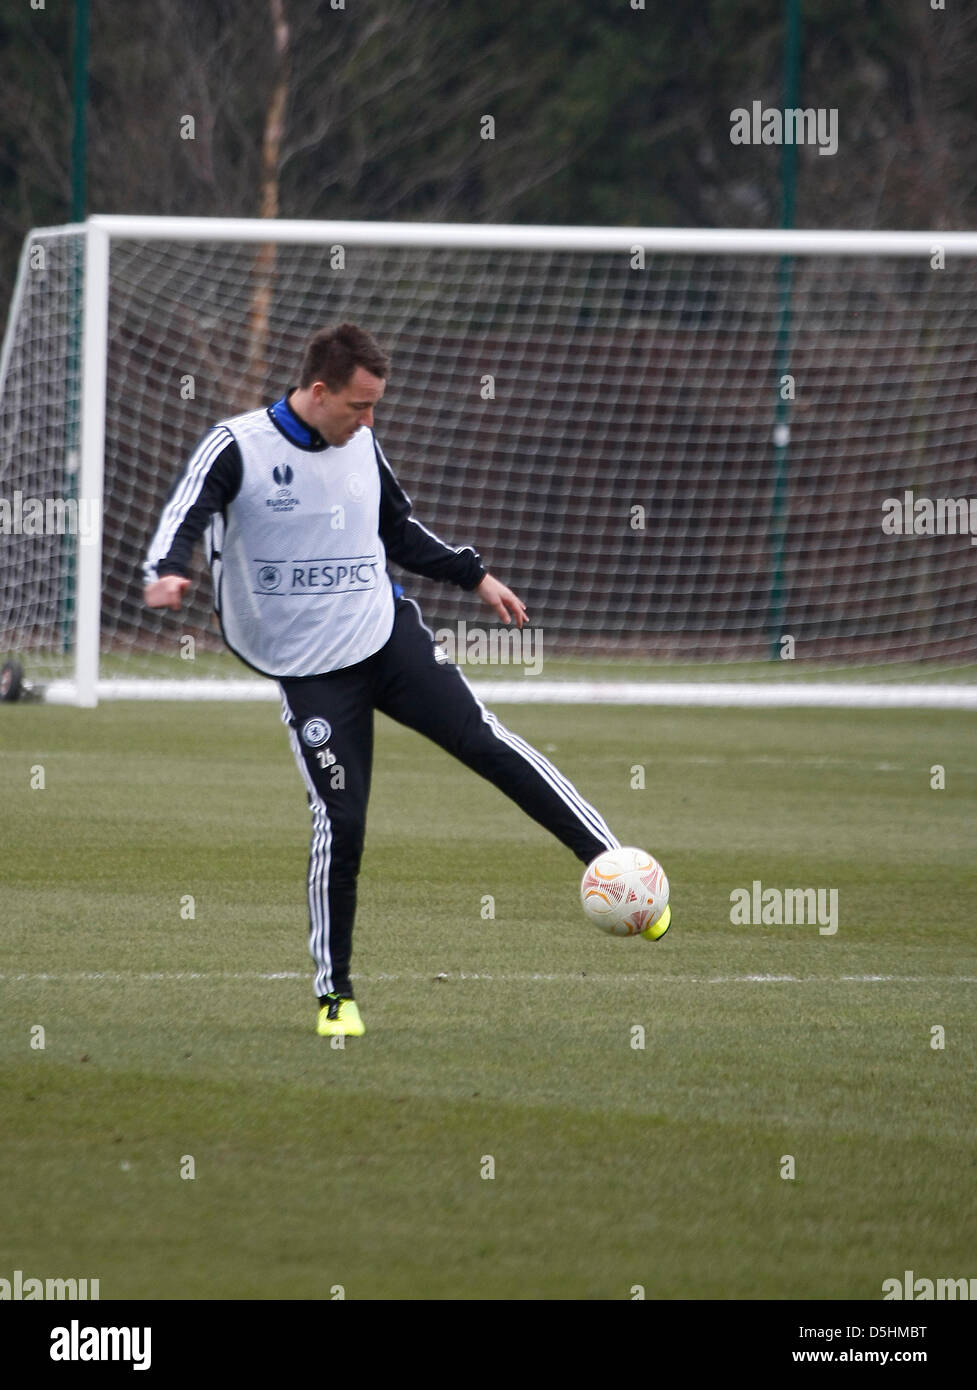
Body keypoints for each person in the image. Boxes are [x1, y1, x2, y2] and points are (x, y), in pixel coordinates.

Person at [143, 322, 620, 1037]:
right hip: (308, 671)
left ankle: (616, 868)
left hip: (383, 635)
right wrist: (168, 570)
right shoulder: (237, 446)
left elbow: (397, 529)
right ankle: (335, 994)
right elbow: (185, 516)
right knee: (342, 823)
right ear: (316, 391)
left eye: (375, 408)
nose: (369, 421)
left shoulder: (359, 441)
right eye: (358, 406)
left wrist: (474, 575)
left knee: (487, 743)